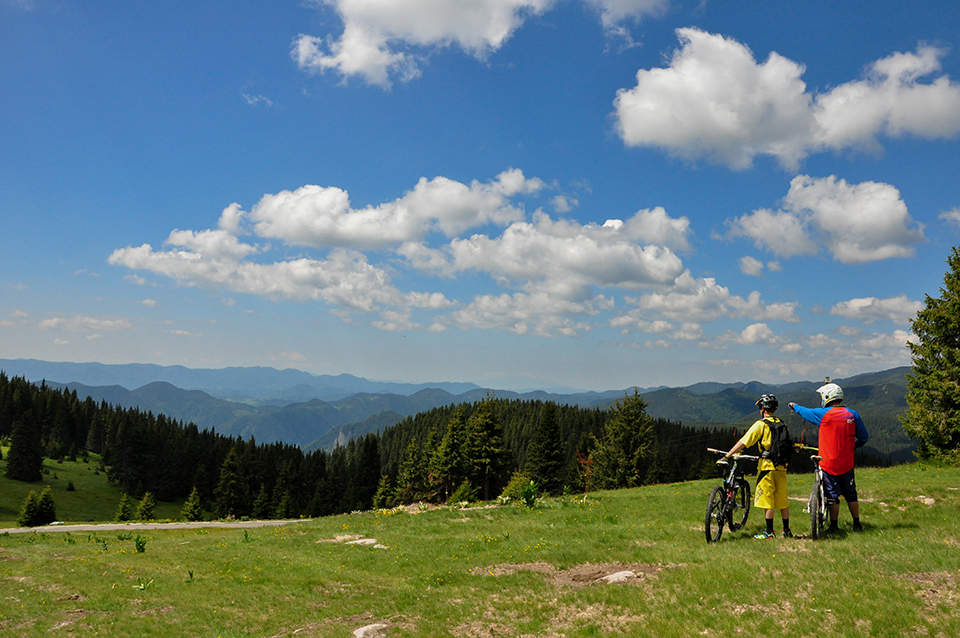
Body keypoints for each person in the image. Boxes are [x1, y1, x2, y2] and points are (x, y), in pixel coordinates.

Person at [789, 381, 869, 533]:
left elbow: (805, 412)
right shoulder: (853, 414)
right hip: (847, 462)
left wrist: (794, 406)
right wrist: (852, 447)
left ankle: (834, 526)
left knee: (832, 495)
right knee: (851, 494)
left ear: (827, 397)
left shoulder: (824, 414)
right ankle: (857, 524)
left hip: (828, 463)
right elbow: (864, 437)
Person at [721, 394, 791, 539]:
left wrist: (728, 455)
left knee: (768, 500)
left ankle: (769, 532)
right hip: (782, 467)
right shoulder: (783, 424)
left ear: (763, 408)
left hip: (767, 467)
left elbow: (744, 442)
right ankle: (786, 530)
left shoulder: (761, 424)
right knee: (782, 499)